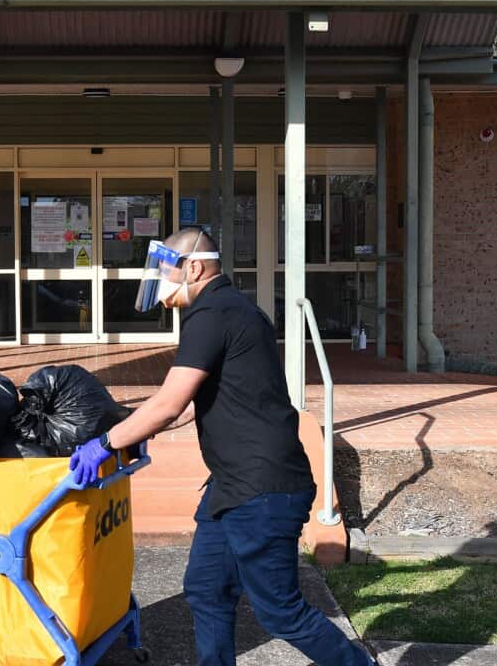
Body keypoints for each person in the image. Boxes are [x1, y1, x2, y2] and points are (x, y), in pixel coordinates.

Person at [69, 227, 375, 666]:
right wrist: (136, 431)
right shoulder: (230, 310)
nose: (161, 287)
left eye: (166, 273)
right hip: (233, 485)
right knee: (207, 588)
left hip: (263, 488)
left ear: (194, 267)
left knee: (280, 611)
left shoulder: (214, 314)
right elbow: (204, 401)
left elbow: (171, 402)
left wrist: (106, 442)